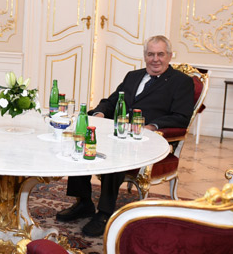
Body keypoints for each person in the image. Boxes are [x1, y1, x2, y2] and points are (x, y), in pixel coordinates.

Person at [56, 35, 194, 237]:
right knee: (83, 140)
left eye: (160, 54)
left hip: (147, 140)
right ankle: (83, 202)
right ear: (145, 56)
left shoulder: (181, 82)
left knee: (116, 154)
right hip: (119, 132)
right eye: (150, 54)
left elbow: (181, 117)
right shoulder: (133, 76)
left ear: (169, 56)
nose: (155, 59)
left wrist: (152, 126)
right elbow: (111, 101)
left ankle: (104, 213)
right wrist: (100, 113)